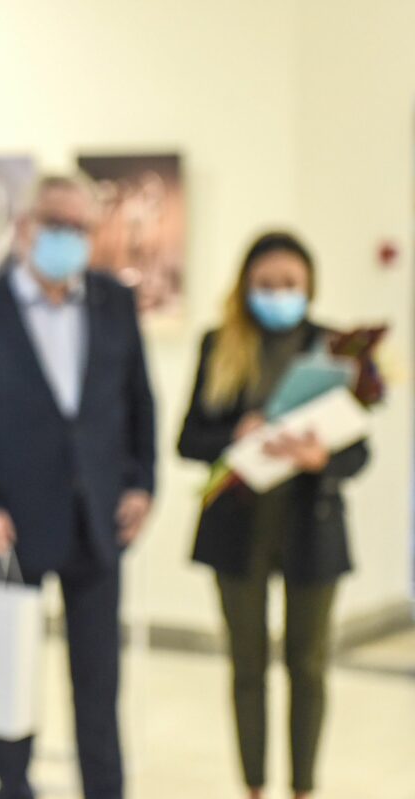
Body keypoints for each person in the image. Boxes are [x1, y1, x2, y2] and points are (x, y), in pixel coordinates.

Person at [0, 175, 156, 799]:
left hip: (97, 522)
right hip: (7, 528)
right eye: (57, 223)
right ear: (26, 227)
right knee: (6, 674)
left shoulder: (114, 302)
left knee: (99, 682)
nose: (69, 238)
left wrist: (142, 484)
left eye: (82, 228)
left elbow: (139, 402)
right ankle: (13, 786)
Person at [178, 231, 370, 799]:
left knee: (308, 666)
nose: (278, 294)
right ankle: (255, 786)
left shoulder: (336, 348)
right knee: (247, 666)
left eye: (289, 284)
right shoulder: (220, 344)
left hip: (311, 523)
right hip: (238, 527)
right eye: (266, 284)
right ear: (245, 286)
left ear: (309, 286)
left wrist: (321, 458)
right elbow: (188, 439)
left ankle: (303, 787)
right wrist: (233, 435)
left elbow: (359, 451)